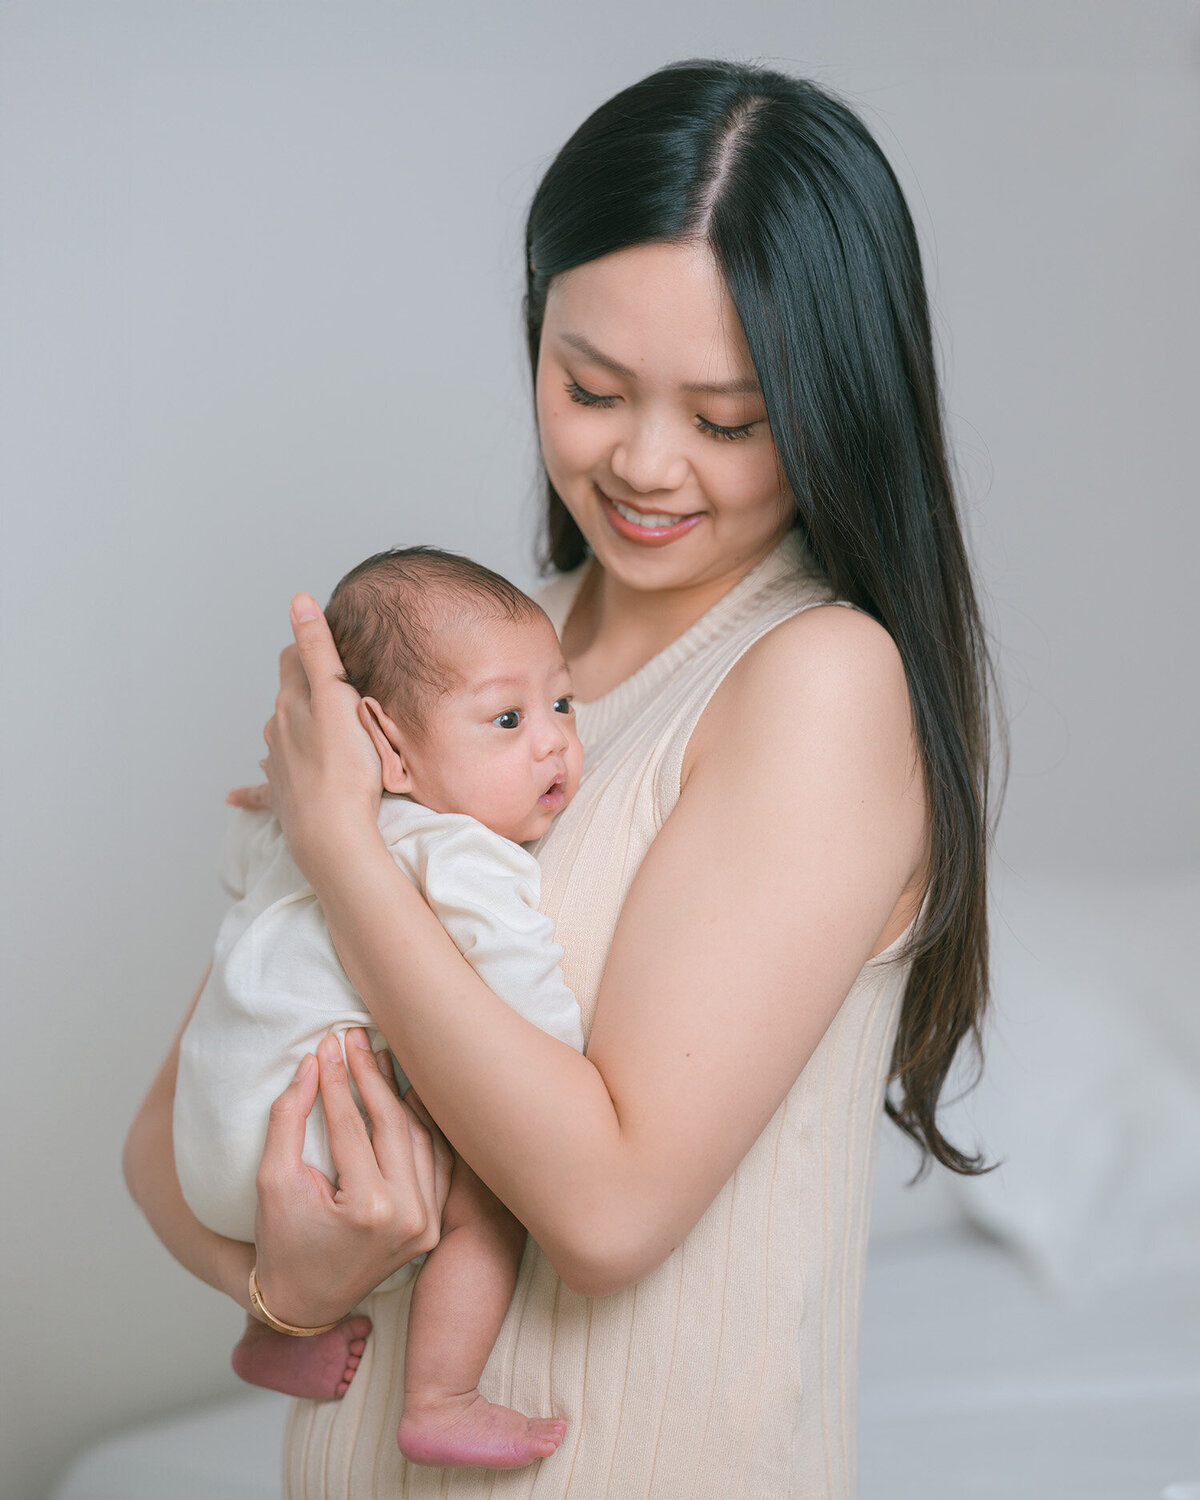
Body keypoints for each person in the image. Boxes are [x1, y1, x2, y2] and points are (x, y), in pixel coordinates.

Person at [125, 58, 997, 1498]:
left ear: (839, 402)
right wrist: (283, 1280)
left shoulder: (818, 681)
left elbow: (606, 1210)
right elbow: (163, 1141)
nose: (646, 464)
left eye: (727, 419)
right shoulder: (486, 676)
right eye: (590, 387)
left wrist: (346, 847)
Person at [172, 547, 584, 1468]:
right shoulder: (461, 851)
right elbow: (525, 996)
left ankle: (274, 1331)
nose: (553, 740)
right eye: (508, 719)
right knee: (492, 1198)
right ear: (388, 747)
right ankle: (440, 1395)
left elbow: (239, 870)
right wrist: (569, 1069)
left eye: (562, 704)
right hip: (321, 1154)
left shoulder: (295, 817)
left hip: (207, 1145)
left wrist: (274, 812)